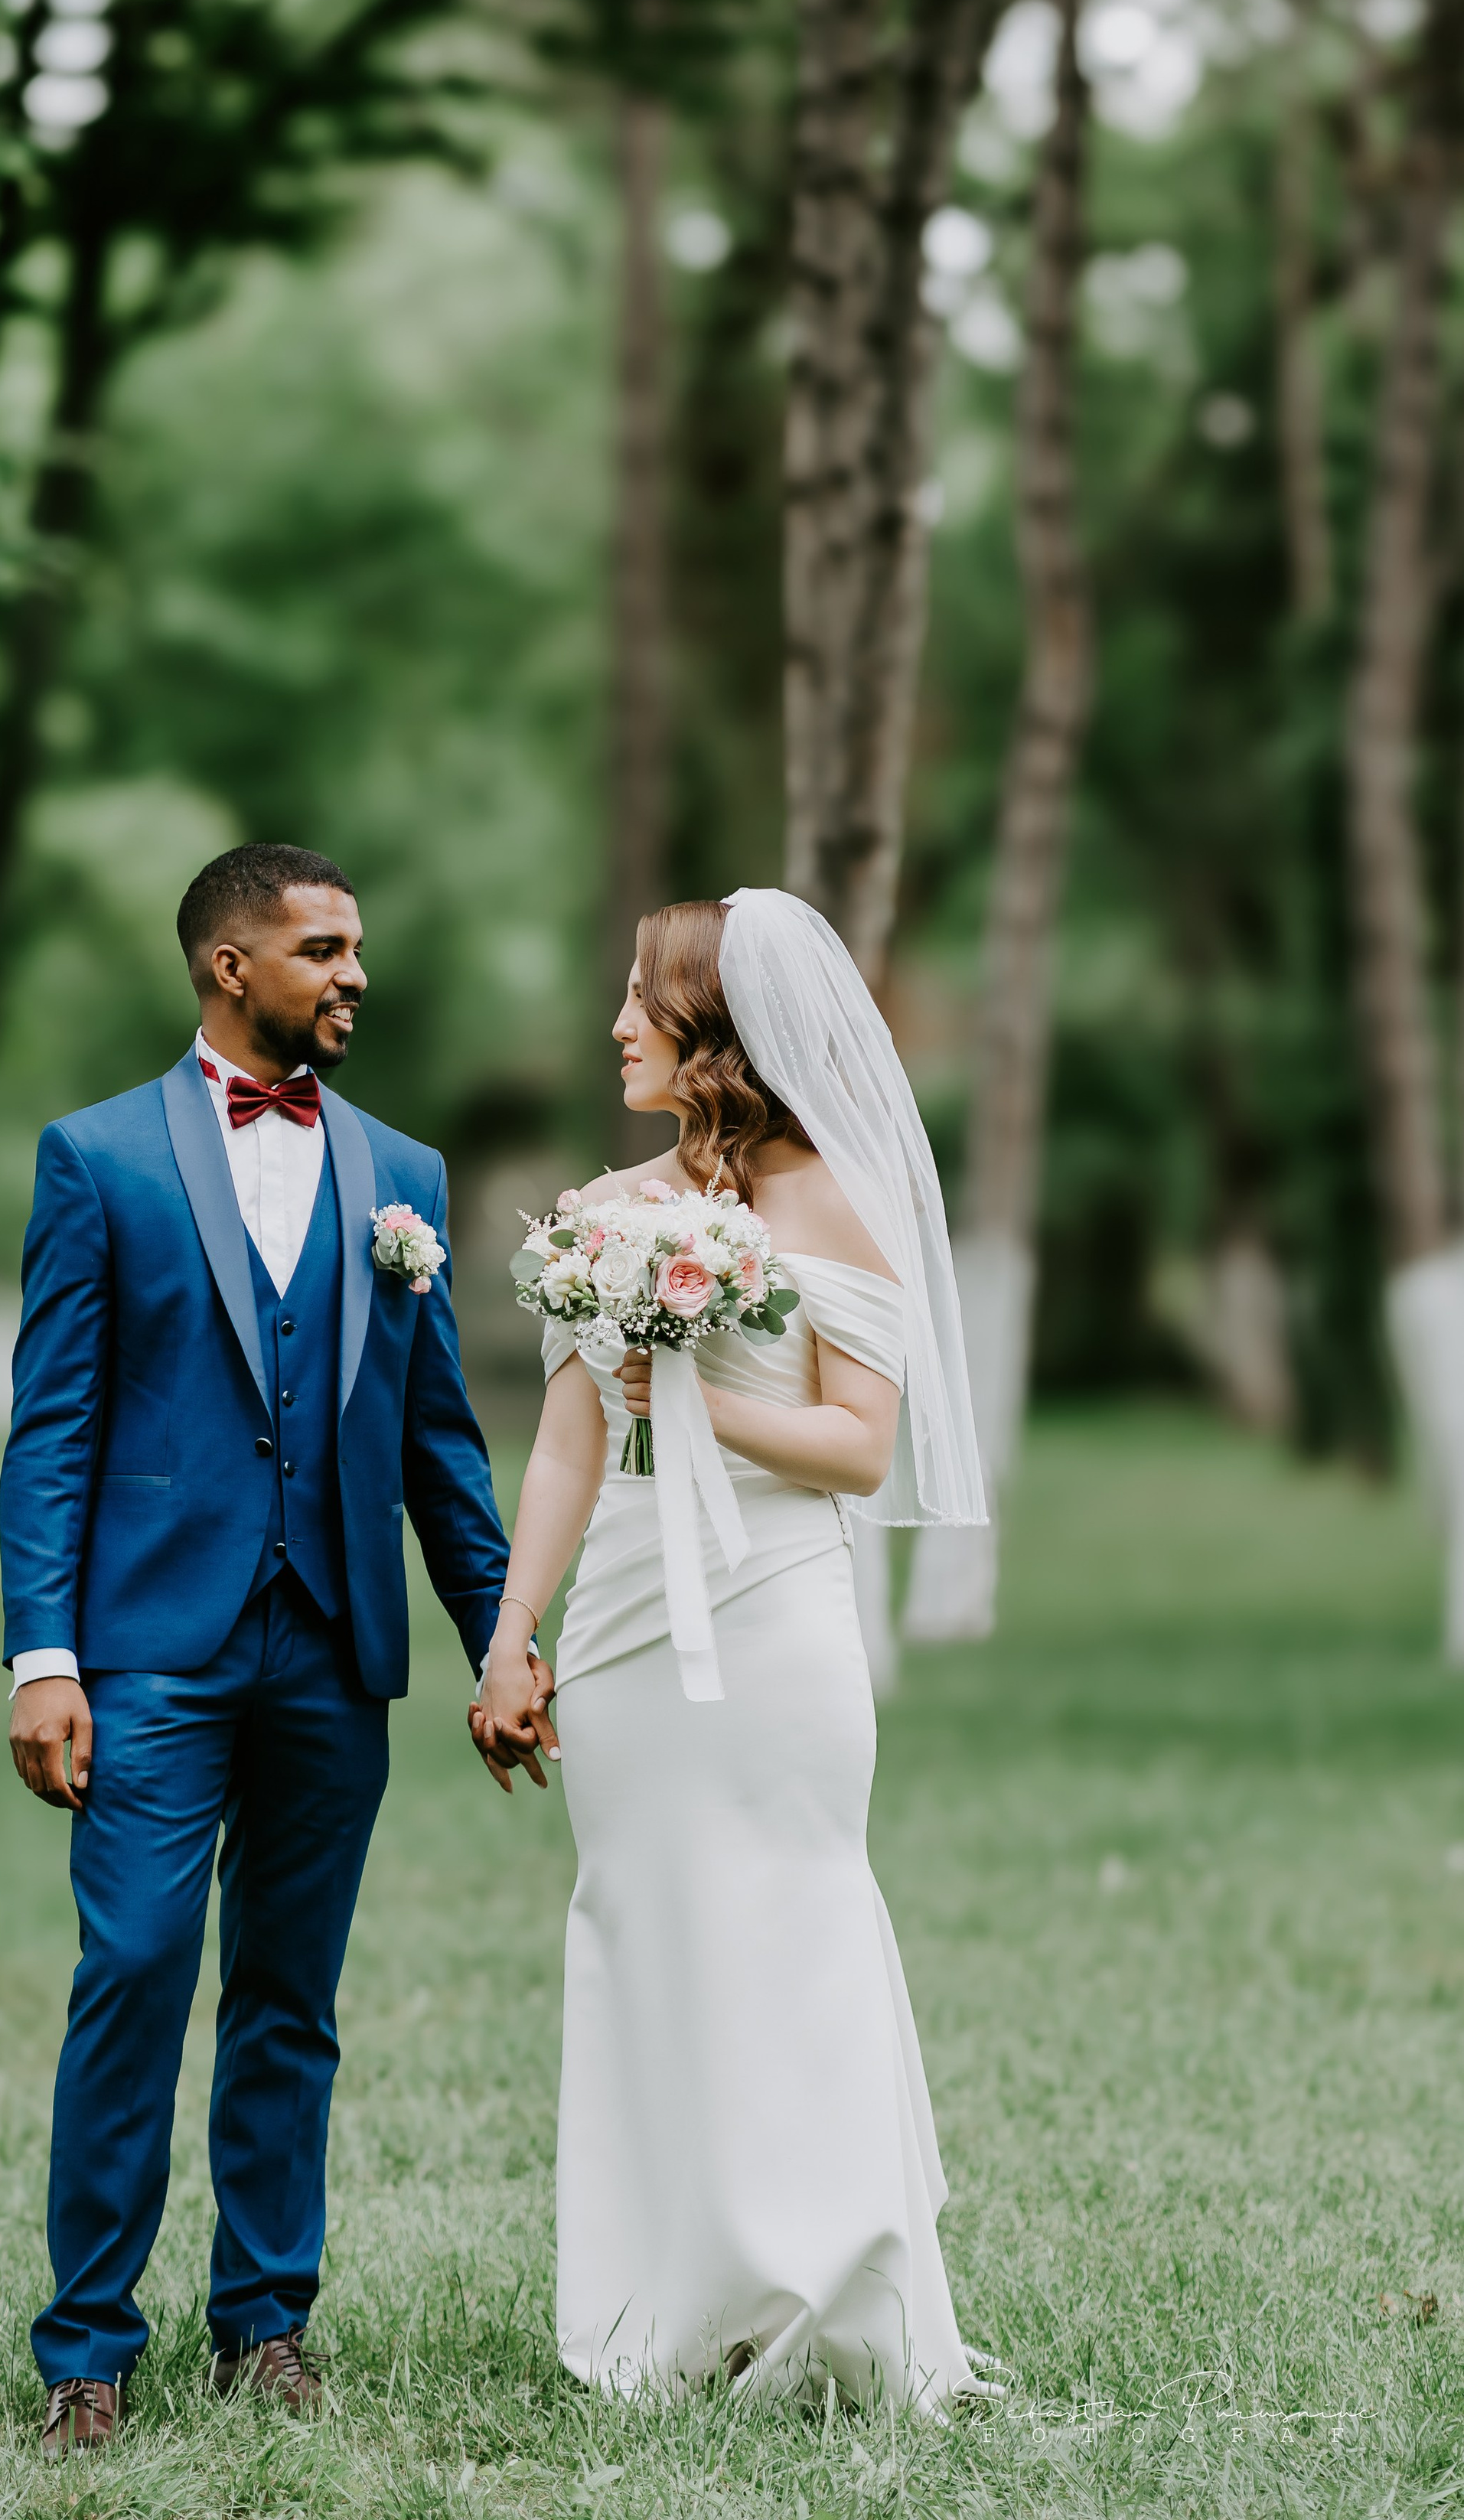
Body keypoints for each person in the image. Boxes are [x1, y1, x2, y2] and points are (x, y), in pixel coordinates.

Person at [1, 842, 546, 2459]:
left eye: (356, 947)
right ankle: (87, 2349)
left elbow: (439, 1445)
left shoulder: (402, 1172)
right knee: (133, 1973)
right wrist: (43, 1657)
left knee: (291, 1999)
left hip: (331, 1651)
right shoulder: (96, 1158)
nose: (353, 975)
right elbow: (53, 1430)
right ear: (229, 966)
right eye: (321, 949)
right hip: (149, 1654)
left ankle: (266, 2326)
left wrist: (499, 1642)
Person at [471, 888, 990, 2413]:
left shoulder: (834, 1200)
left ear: (713, 1028)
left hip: (774, 1619)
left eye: (642, 1002)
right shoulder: (602, 1212)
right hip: (626, 1627)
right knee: (642, 1929)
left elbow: (857, 1445)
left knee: (790, 1923)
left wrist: (701, 1399)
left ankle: (830, 2293)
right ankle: (670, 2304)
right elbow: (568, 1447)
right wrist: (512, 1637)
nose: (616, 1026)